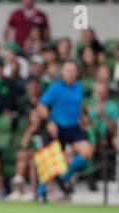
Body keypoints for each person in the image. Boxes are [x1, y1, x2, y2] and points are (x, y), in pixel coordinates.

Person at [37, 61, 94, 200]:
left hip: (74, 127)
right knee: (50, 161)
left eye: (73, 70)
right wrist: (49, 121)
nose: (70, 73)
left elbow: (80, 107)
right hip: (57, 127)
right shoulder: (55, 88)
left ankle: (65, 175)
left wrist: (84, 117)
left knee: (87, 152)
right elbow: (42, 106)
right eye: (67, 70)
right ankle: (41, 192)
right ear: (62, 72)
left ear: (77, 73)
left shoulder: (79, 88)